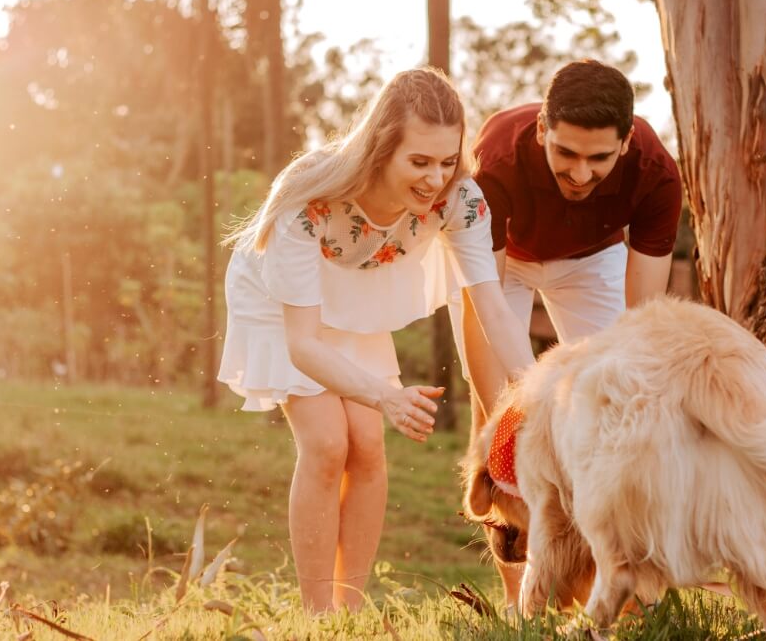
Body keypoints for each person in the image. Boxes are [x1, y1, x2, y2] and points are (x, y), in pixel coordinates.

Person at [218, 67, 535, 613]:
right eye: (418, 162)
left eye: (446, 160)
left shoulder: (461, 201)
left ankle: (350, 606)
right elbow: (303, 344)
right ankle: (319, 615)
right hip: (285, 303)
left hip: (356, 295)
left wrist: (538, 395)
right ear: (380, 148)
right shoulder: (310, 196)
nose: (435, 178)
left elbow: (493, 309)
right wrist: (387, 395)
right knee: (327, 442)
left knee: (368, 445)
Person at [455, 59, 683, 419]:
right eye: (566, 153)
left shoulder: (656, 174)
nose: (580, 173)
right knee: (498, 408)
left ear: (625, 142)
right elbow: (486, 307)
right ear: (542, 129)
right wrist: (501, 434)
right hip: (507, 260)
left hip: (591, 258)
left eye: (599, 158)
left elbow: (641, 325)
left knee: (613, 387)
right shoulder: (495, 160)